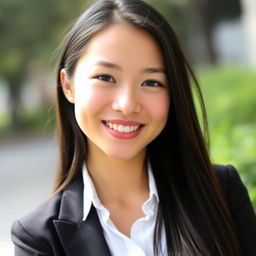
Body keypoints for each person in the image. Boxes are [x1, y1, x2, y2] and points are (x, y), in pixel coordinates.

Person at [11, 0, 256, 255]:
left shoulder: (221, 192)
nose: (127, 105)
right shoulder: (38, 239)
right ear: (67, 85)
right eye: (105, 77)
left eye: (151, 82)